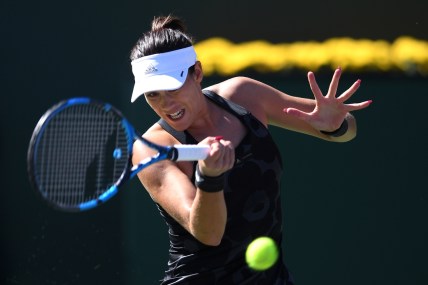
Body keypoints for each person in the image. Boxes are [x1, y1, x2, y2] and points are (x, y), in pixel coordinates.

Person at [129, 15, 371, 285]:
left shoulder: (244, 96)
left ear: (197, 72)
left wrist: (333, 126)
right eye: (153, 94)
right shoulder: (152, 148)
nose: (165, 103)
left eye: (171, 87)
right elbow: (208, 234)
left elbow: (347, 131)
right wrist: (209, 178)